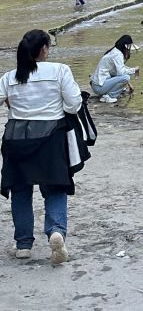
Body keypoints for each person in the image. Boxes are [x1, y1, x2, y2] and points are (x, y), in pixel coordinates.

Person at [0, 30, 82, 264]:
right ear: (44, 48)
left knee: (20, 190)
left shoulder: (10, 77)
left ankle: (23, 245)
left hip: (16, 138)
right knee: (55, 187)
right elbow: (74, 105)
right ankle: (56, 232)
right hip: (50, 138)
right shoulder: (60, 70)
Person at [90, 35, 139, 104]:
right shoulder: (118, 55)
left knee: (123, 77)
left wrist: (129, 83)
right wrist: (134, 70)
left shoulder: (113, 51)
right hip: (99, 87)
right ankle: (110, 96)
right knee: (126, 77)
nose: (129, 51)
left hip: (96, 85)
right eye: (129, 49)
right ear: (125, 47)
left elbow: (116, 71)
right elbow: (121, 72)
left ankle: (106, 94)